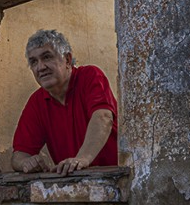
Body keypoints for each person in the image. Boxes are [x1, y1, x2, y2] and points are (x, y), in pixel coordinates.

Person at [12, 29, 118, 176]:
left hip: (117, 179)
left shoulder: (90, 76)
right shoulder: (36, 101)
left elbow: (103, 118)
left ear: (67, 60)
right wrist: (26, 162)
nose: (40, 67)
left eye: (47, 57)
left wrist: (82, 159)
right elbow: (19, 154)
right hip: (73, 185)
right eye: (34, 62)